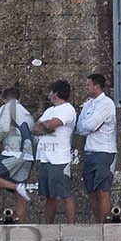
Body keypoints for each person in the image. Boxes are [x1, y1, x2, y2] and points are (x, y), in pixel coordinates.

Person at [32, 80, 78, 224]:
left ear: (56, 93)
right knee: (48, 196)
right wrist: (45, 127)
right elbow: (35, 128)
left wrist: (45, 127)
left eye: (50, 92)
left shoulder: (67, 109)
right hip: (45, 158)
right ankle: (48, 226)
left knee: (65, 194)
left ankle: (71, 225)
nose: (49, 95)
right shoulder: (49, 110)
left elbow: (51, 125)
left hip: (59, 158)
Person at [0, 87, 34, 221]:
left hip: (12, 152)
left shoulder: (7, 107)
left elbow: (4, 128)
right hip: (28, 155)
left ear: (5, 99)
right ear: (20, 98)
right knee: (20, 196)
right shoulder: (27, 113)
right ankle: (21, 227)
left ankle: (15, 186)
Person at [76, 73, 117, 224]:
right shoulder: (88, 104)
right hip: (90, 151)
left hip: (104, 151)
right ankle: (97, 222)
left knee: (102, 189)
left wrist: (90, 127)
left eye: (88, 85)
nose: (86, 87)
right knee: (91, 191)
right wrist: (90, 127)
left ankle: (105, 225)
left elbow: (90, 125)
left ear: (96, 86)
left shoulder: (107, 103)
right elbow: (80, 128)